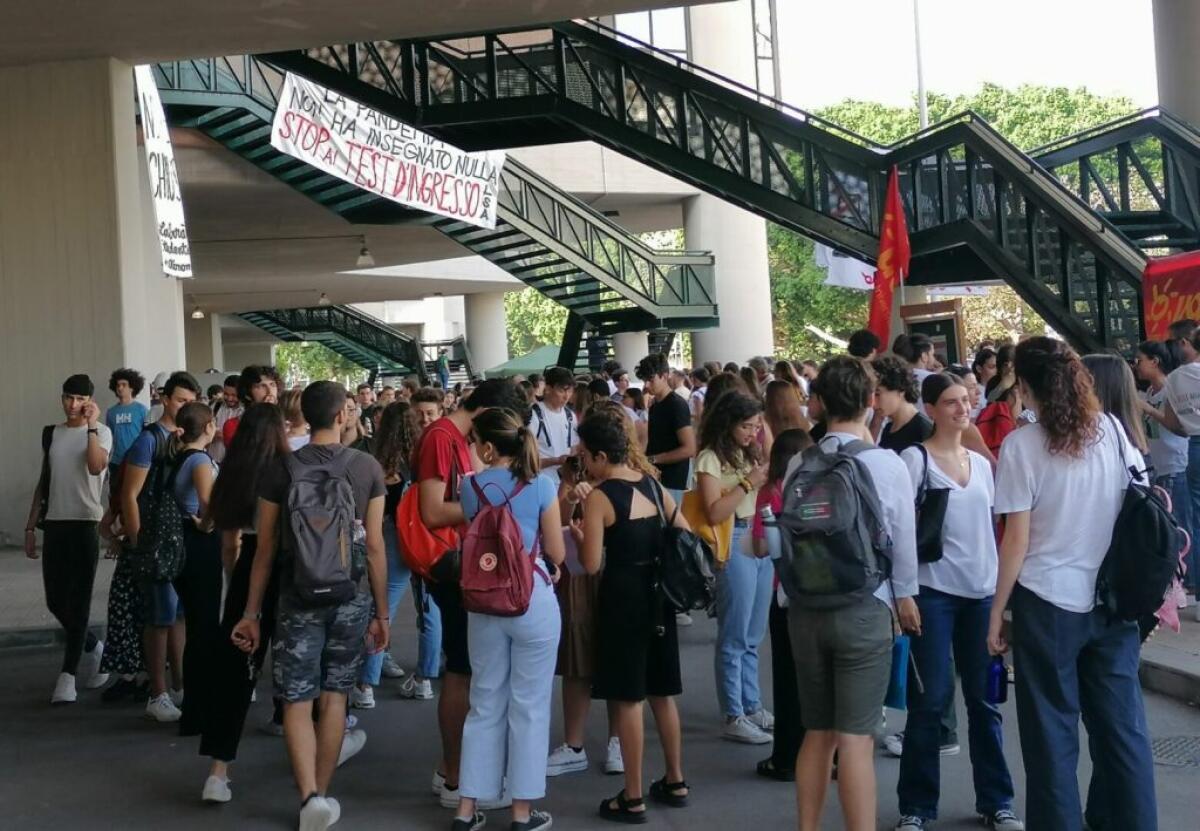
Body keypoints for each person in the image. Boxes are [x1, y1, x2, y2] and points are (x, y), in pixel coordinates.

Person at [988, 338, 1156, 831]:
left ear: (1025, 385)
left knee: (1051, 740)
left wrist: (996, 613)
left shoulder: (1021, 446)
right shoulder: (1110, 430)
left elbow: (1016, 541)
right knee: (1123, 733)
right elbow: (1139, 502)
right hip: (1112, 602)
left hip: (1047, 605)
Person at [231, 382, 390, 831]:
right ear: (341, 416)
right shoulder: (367, 468)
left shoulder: (280, 471)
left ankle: (309, 797)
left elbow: (264, 549)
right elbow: (375, 546)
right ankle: (323, 792)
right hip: (350, 595)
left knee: (297, 699)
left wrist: (251, 612)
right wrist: (381, 612)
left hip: (295, 594)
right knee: (335, 694)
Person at [792, 357, 919, 831]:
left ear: (820, 402)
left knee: (817, 733)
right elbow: (903, 544)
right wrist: (905, 598)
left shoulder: (797, 464)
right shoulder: (885, 464)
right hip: (866, 608)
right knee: (856, 740)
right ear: (870, 402)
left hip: (806, 611)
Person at [893, 374, 1022, 831]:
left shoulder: (982, 465)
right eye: (950, 402)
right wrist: (903, 592)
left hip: (981, 593)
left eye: (965, 401)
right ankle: (916, 807)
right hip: (933, 594)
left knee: (986, 700)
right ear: (930, 408)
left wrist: (1001, 603)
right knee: (929, 702)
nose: (961, 409)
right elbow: (899, 532)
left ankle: (996, 800)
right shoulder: (914, 460)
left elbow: (996, 531)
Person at [416, 379, 531, 809]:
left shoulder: (452, 438)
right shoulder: (440, 438)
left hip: (466, 562)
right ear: (486, 415)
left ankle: (459, 774)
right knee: (462, 671)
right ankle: (455, 777)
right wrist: (492, 504)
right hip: (452, 565)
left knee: (470, 670)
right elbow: (431, 511)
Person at [452, 409, 565, 831]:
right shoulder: (543, 486)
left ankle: (466, 809)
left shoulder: (470, 488)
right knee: (530, 706)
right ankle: (521, 812)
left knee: (484, 703)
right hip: (532, 599)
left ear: (486, 447)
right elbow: (554, 551)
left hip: (484, 602)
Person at [580, 406, 691, 823]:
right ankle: (675, 778)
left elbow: (591, 564)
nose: (584, 463)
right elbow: (682, 530)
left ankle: (632, 794)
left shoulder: (601, 497)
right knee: (663, 692)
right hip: (658, 594)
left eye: (585, 456)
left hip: (623, 597)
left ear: (601, 457)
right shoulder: (652, 484)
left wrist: (579, 534)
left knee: (628, 696)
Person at [202, 403, 291, 799]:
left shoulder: (232, 474)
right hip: (290, 571)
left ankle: (218, 772)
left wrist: (236, 584)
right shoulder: (289, 471)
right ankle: (316, 745)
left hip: (245, 573)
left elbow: (228, 543)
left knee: (235, 672)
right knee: (298, 660)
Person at [24, 374, 113, 704]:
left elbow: (94, 467)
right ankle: (93, 646)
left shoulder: (102, 432)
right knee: (54, 600)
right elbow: (44, 480)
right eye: (68, 398)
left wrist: (91, 426)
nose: (73, 405)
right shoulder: (52, 433)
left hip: (85, 523)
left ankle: (68, 675)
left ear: (89, 401)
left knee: (78, 601)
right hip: (56, 523)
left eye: (79, 399)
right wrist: (31, 526)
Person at [122, 370, 202, 722]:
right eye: (181, 400)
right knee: (159, 616)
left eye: (191, 402)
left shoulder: (188, 439)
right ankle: (157, 692)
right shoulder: (149, 439)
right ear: (165, 399)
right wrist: (138, 540)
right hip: (156, 540)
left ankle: (179, 685)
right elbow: (129, 494)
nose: (186, 407)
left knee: (178, 614)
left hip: (182, 538)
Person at [696, 392, 773, 743]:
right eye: (747, 425)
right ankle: (734, 712)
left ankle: (752, 703)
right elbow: (713, 511)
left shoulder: (751, 453)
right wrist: (747, 483)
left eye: (756, 425)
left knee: (754, 632)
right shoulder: (710, 459)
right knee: (735, 633)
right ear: (727, 424)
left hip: (759, 536)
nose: (753, 432)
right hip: (734, 537)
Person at [353, 401, 435, 708]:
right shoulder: (422, 457)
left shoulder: (378, 461)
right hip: (424, 537)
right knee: (429, 609)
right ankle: (425, 679)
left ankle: (366, 683)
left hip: (390, 536)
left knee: (381, 608)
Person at [751, 428, 812, 781]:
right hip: (822, 593)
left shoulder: (770, 491)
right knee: (818, 678)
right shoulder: (823, 487)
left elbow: (760, 548)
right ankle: (829, 755)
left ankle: (787, 756)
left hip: (785, 592)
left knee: (787, 678)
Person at [1135, 340, 1193, 599]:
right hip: (1159, 465)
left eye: (1140, 360)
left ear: (1155, 361)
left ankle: (1185, 579)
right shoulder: (1149, 392)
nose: (1136, 365)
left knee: (1181, 524)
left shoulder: (1171, 388)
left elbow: (1178, 425)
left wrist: (1148, 410)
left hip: (1177, 463)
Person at [637, 352, 696, 504]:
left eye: (651, 380)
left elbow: (689, 449)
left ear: (664, 376)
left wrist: (653, 459)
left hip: (673, 481)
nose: (647, 385)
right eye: (644, 381)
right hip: (657, 477)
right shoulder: (655, 405)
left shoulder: (676, 405)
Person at [873, 355, 933, 452]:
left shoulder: (924, 431)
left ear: (900, 390)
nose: (873, 402)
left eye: (877, 394)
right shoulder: (888, 428)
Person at [529, 366, 577, 482]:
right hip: (541, 480)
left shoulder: (570, 416)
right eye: (561, 390)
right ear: (548, 388)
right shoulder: (533, 415)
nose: (566, 396)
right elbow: (526, 458)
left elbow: (574, 446)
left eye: (570, 391)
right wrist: (556, 461)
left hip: (564, 482)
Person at [105, 368, 148, 477]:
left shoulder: (142, 410)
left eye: (124, 384)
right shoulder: (111, 412)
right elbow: (109, 438)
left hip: (137, 460)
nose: (120, 388)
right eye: (118, 385)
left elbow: (147, 435)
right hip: (116, 461)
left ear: (132, 387)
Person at [223, 365, 280, 448]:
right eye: (261, 386)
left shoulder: (284, 422)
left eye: (272, 384)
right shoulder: (233, 425)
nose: (269, 391)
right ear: (247, 393)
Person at [210, 375, 242, 464]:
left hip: (235, 463)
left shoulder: (246, 412)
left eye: (234, 395)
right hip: (214, 461)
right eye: (226, 394)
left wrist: (226, 436)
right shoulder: (216, 406)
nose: (229, 398)